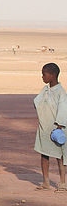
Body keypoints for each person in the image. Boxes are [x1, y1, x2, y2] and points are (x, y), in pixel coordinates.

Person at [34, 62, 67, 190]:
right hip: (44, 127)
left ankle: (63, 183)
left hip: (57, 129)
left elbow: (63, 110)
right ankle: (46, 182)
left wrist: (59, 126)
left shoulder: (61, 93)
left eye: (44, 74)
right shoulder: (45, 90)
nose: (42, 77)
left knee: (60, 156)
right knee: (44, 154)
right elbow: (37, 102)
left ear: (52, 75)